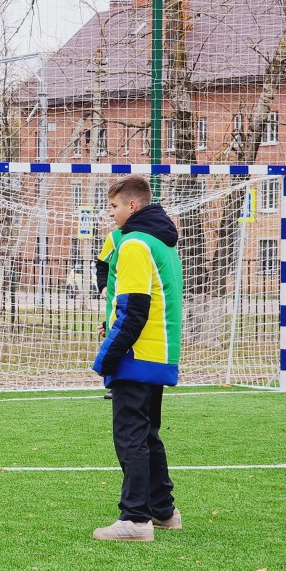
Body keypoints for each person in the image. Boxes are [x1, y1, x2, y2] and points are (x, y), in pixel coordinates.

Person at [91, 175, 183, 542]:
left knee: (130, 435)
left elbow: (134, 310)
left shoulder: (133, 245)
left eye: (114, 206)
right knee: (148, 434)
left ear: (133, 205)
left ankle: (136, 520)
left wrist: (108, 356)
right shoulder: (164, 244)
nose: (110, 213)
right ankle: (163, 511)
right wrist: (110, 324)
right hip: (159, 351)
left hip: (137, 352)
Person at [95, 228, 122, 400]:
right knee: (115, 336)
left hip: (139, 296)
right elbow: (102, 264)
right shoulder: (114, 237)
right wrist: (103, 286)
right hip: (116, 300)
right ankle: (114, 384)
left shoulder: (149, 237)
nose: (112, 213)